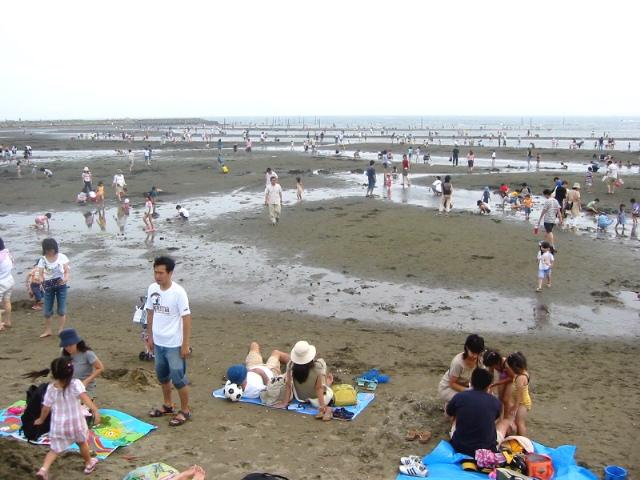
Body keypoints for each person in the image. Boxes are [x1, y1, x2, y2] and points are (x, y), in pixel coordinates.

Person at [34, 357, 101, 479]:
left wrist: (41, 419)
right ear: (71, 371)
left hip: (58, 426)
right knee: (82, 443)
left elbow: (45, 408)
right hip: (76, 424)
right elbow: (85, 399)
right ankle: (88, 463)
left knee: (54, 450)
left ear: (54, 374)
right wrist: (95, 410)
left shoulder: (50, 389)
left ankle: (43, 470)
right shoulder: (76, 384)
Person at [146, 256, 193, 427]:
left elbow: (186, 318)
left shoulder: (178, 292)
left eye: (161, 273)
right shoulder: (152, 289)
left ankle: (185, 410)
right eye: (155, 272)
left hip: (174, 343)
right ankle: (168, 405)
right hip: (158, 342)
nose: (157, 276)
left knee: (178, 378)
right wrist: (149, 337)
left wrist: (185, 344)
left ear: (170, 273)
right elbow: (150, 312)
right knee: (162, 376)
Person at [446, 368, 511, 457]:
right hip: (486, 450)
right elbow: (495, 420)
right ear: (489, 386)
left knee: (456, 415)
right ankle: (505, 441)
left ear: (471, 382)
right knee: (505, 422)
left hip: (459, 447)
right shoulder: (495, 402)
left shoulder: (460, 396)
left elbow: (449, 412)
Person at [275, 340, 334, 421]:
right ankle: (328, 384)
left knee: (318, 381)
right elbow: (319, 388)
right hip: (317, 400)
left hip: (300, 398)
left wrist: (284, 403)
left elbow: (288, 385)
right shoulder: (318, 368)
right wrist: (322, 406)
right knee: (322, 364)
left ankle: (327, 382)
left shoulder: (290, 365)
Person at [438, 334, 485, 404]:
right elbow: (452, 384)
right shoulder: (458, 363)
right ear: (466, 348)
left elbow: (482, 376)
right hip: (448, 388)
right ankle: (450, 410)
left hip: (465, 386)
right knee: (467, 401)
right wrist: (469, 391)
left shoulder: (480, 359)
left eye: (477, 353)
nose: (475, 356)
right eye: (472, 353)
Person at [37, 238, 70, 338]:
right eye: (47, 250)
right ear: (44, 249)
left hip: (61, 285)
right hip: (48, 286)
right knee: (47, 310)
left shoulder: (62, 257)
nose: (50, 252)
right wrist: (41, 279)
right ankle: (48, 330)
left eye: (51, 249)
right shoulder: (42, 259)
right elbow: (40, 273)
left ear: (55, 248)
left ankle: (60, 330)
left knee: (61, 310)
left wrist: (65, 279)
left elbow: (67, 272)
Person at [59, 328, 104, 396]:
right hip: (69, 386)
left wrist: (86, 381)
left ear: (77, 342)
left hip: (85, 388)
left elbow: (100, 368)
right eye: (65, 346)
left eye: (70, 345)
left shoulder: (87, 353)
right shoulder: (63, 352)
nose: (68, 348)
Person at [505, 352, 532, 436]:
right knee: (517, 421)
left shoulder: (520, 378)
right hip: (520, 402)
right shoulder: (522, 373)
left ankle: (522, 440)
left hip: (522, 403)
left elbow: (519, 394)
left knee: (520, 422)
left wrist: (515, 406)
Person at [483, 350, 513, 416]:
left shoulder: (506, 364)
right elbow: (491, 375)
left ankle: (507, 417)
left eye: (492, 365)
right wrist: (490, 388)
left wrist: (497, 383)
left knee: (506, 400)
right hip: (503, 376)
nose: (492, 367)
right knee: (500, 399)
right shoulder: (492, 364)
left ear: (497, 362)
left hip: (512, 379)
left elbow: (512, 377)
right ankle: (500, 416)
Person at [0, 238, 15, 331]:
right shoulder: (7, 254)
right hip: (9, 280)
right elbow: (13, 264)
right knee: (6, 301)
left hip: (1, 282)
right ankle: (7, 322)